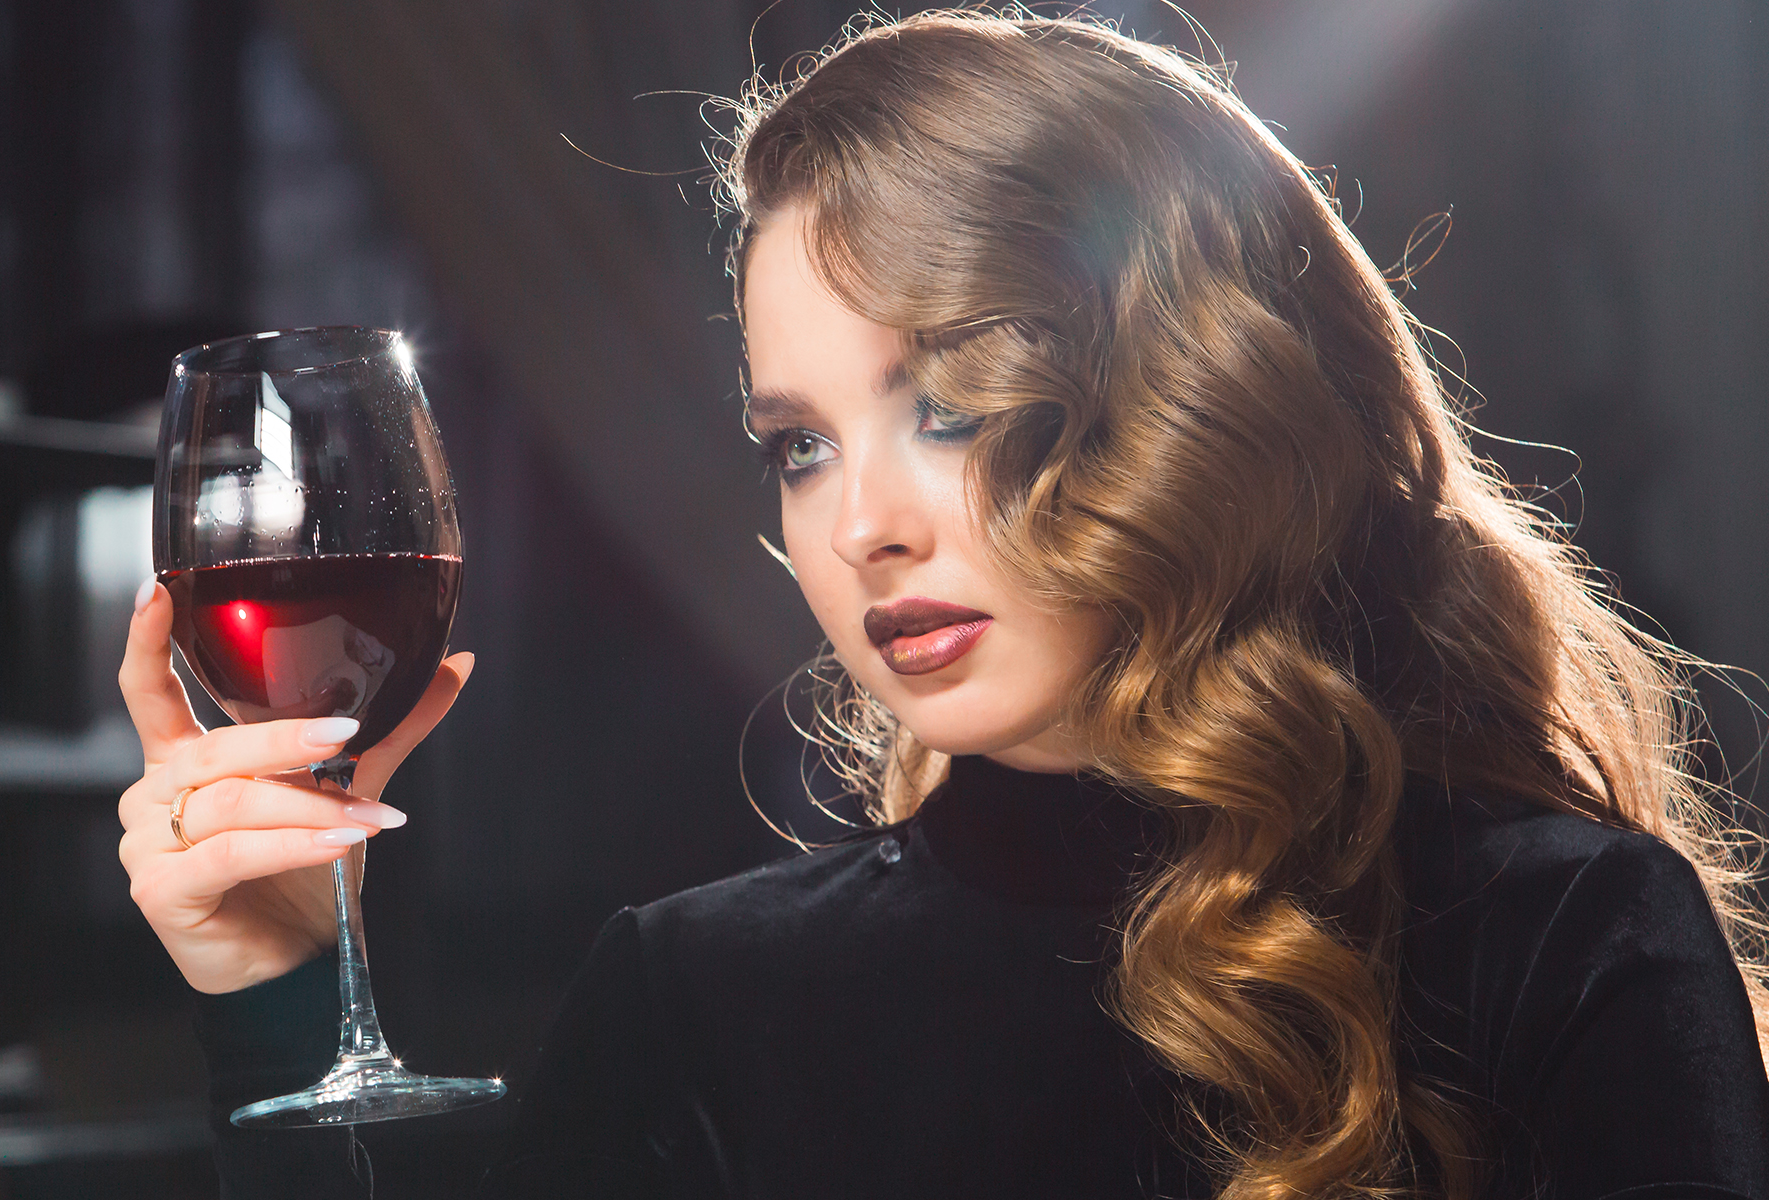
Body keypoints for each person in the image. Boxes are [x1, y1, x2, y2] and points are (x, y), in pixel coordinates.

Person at [115, 11, 1769, 1198]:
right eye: (800, 446)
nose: (864, 529)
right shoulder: (698, 993)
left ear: (1201, 403)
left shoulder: (1567, 938)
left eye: (955, 408)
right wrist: (272, 998)